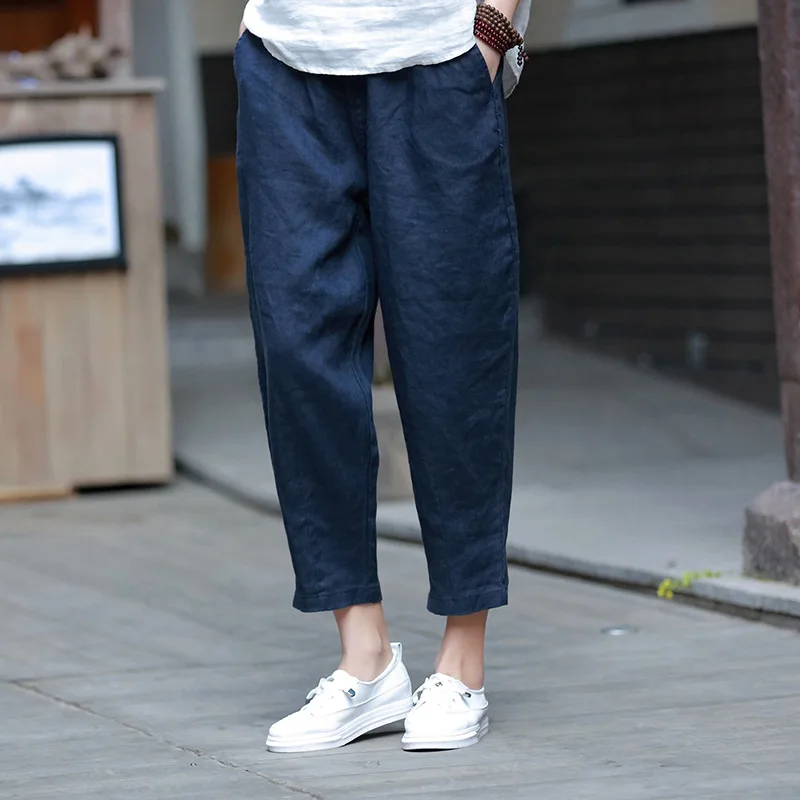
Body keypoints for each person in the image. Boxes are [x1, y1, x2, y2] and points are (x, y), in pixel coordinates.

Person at [235, 0, 530, 752]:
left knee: (453, 353)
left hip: (439, 52)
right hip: (285, 55)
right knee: (297, 349)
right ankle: (365, 658)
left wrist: (491, 30)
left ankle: (462, 663)